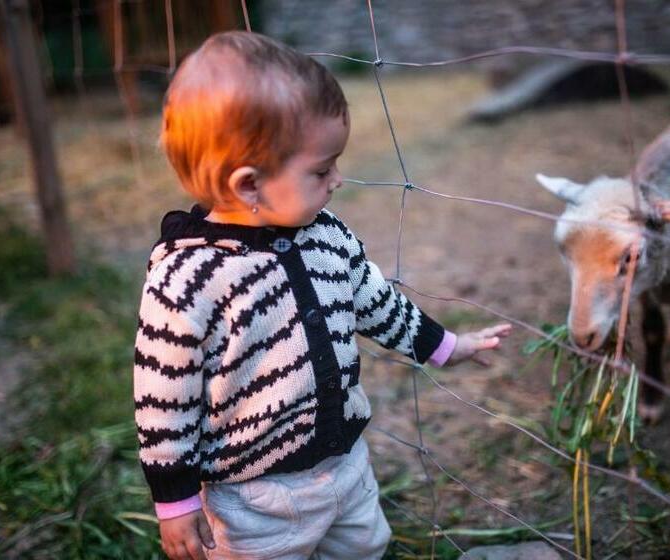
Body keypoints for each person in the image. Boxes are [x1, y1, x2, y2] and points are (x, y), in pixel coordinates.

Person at [133, 31, 512, 560]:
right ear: (249, 185)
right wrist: (175, 504)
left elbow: (377, 303)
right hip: (252, 503)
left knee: (365, 549)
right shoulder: (187, 280)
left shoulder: (327, 234)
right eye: (321, 168)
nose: (338, 179)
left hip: (347, 469)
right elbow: (164, 402)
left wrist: (446, 346)